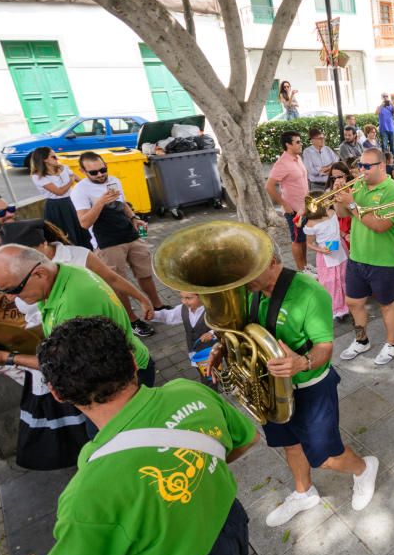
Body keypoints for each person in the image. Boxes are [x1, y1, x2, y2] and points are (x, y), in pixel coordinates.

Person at [39, 317, 259, 555]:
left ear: (57, 393)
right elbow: (248, 438)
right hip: (230, 526)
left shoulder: (85, 496)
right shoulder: (190, 390)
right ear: (134, 363)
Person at [206, 251, 378, 527]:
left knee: (325, 457)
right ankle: (304, 493)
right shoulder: (248, 289)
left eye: (249, 274)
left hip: (310, 387)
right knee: (290, 444)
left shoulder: (310, 292)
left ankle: (364, 468)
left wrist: (302, 362)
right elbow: (240, 331)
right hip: (268, 385)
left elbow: (324, 348)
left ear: (273, 262)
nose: (242, 281)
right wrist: (222, 347)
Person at [0, 243, 156, 387]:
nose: (9, 297)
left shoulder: (72, 305)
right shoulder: (62, 273)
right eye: (2, 291)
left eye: (13, 289)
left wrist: (6, 358)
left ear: (40, 274)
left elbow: (65, 366)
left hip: (124, 381)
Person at [0, 219, 153, 331]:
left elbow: (112, 279)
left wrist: (142, 299)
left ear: (42, 245)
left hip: (92, 332)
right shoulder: (10, 269)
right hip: (42, 335)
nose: (20, 261)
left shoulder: (77, 256)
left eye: (24, 253)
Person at [70, 152, 163, 336]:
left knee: (144, 274)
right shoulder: (80, 191)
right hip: (107, 243)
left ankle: (158, 307)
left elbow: (123, 203)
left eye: (103, 169)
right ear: (82, 171)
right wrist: (100, 202)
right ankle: (132, 320)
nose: (100, 175)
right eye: (94, 172)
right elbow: (84, 223)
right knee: (119, 283)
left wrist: (134, 218)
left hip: (129, 235)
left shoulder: (113, 180)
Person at [333, 148, 394, 365]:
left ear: (381, 166)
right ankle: (361, 340)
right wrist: (339, 198)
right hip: (357, 256)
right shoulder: (359, 185)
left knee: (387, 304)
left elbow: (380, 225)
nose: (361, 170)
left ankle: (392, 343)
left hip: (385, 260)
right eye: (360, 166)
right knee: (353, 302)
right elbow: (342, 214)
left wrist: (353, 203)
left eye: (366, 166)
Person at [28, 146, 91, 249]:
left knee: (81, 227)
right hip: (56, 206)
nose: (57, 159)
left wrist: (90, 186)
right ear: (44, 159)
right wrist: (70, 182)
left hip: (72, 201)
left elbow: (79, 180)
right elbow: (59, 192)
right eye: (53, 157)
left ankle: (87, 251)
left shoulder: (64, 168)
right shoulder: (38, 176)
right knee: (65, 232)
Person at [151, 291, 217, 386]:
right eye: (182, 297)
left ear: (203, 296)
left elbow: (225, 326)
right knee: (203, 373)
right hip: (194, 352)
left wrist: (212, 333)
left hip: (210, 353)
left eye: (188, 298)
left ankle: (213, 392)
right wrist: (154, 315)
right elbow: (169, 315)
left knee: (211, 376)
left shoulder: (213, 310)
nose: (184, 302)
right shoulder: (183, 308)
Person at [265, 131, 309, 272]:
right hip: (293, 210)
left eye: (300, 141)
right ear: (288, 145)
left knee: (304, 238)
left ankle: (306, 266)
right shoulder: (282, 163)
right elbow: (269, 186)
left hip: (305, 207)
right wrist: (284, 204)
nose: (300, 144)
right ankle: (301, 270)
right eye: (297, 142)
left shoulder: (297, 158)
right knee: (297, 240)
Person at [303, 190, 348, 320]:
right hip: (326, 256)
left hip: (339, 250)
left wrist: (344, 236)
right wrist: (321, 250)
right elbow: (309, 244)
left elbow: (336, 229)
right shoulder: (311, 223)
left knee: (343, 277)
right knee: (331, 282)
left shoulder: (332, 213)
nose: (330, 200)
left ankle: (347, 304)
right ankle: (336, 309)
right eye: (326, 199)